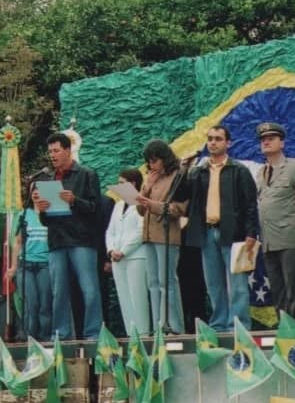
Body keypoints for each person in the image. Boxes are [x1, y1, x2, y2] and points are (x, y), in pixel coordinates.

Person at [184, 126, 259, 332]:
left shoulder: (238, 170)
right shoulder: (199, 171)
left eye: (218, 139)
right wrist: (185, 169)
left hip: (233, 233)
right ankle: (218, 324)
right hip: (206, 232)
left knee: (237, 284)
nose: (213, 143)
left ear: (228, 143)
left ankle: (238, 325)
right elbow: (183, 194)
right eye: (209, 139)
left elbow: (250, 204)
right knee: (214, 284)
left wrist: (251, 233)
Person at [33, 132, 102, 340]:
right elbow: (46, 221)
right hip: (57, 241)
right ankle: (61, 334)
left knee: (89, 290)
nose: (52, 155)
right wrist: (42, 209)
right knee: (58, 292)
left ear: (68, 150)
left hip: (82, 240)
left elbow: (96, 209)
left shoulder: (86, 174)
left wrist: (74, 201)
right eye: (50, 151)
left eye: (56, 150)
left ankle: (93, 333)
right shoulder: (48, 178)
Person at [255, 122, 295, 324]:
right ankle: (284, 329)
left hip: (290, 237)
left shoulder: (294, 168)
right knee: (277, 290)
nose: (266, 141)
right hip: (268, 239)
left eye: (271, 138)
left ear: (282, 142)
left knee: (293, 289)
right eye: (263, 139)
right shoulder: (261, 172)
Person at [136, 140, 189, 334]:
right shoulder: (151, 178)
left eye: (155, 160)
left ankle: (174, 326)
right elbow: (141, 210)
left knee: (168, 282)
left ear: (165, 158)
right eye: (149, 161)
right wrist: (147, 186)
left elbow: (179, 209)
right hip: (149, 235)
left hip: (167, 236)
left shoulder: (177, 176)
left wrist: (154, 205)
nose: (152, 165)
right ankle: (159, 324)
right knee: (153, 283)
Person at [106, 169, 151, 336]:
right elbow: (110, 231)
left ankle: (143, 334)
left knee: (137, 298)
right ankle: (131, 336)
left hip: (136, 257)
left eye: (122, 182)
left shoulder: (141, 203)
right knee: (125, 299)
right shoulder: (118, 206)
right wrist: (111, 250)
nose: (119, 186)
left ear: (133, 184)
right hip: (117, 259)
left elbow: (140, 231)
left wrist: (123, 251)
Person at [7, 181, 52, 340]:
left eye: (39, 190)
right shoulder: (24, 214)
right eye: (33, 190)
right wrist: (13, 267)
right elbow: (17, 242)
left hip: (45, 264)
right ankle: (29, 338)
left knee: (45, 305)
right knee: (30, 304)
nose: (35, 193)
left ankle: (46, 339)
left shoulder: (51, 213)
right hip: (25, 265)